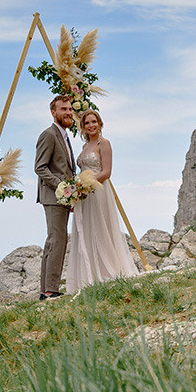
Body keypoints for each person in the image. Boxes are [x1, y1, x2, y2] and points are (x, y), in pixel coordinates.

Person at [65, 109, 140, 291]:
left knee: (100, 228)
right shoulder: (84, 148)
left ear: (99, 124)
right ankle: (89, 274)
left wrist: (87, 184)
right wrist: (78, 189)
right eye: (87, 123)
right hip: (84, 195)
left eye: (94, 122)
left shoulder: (104, 143)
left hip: (98, 192)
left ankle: (107, 271)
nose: (91, 125)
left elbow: (106, 172)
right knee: (86, 230)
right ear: (83, 127)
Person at [35, 95, 76, 299]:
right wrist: (61, 188)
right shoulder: (49, 135)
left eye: (69, 109)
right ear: (53, 112)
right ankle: (51, 290)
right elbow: (40, 168)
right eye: (63, 109)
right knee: (57, 240)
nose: (68, 112)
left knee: (55, 240)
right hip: (53, 196)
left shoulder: (65, 136)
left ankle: (46, 290)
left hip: (62, 198)